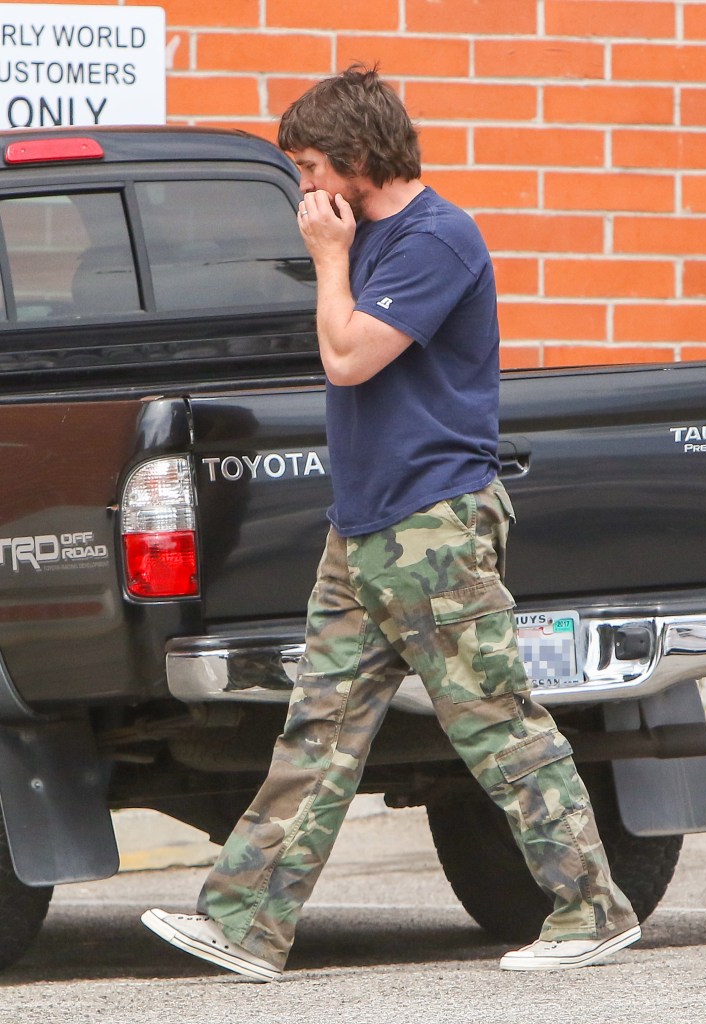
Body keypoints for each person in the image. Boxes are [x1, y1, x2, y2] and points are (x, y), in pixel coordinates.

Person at [141, 65, 640, 978]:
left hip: (432, 527)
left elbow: (348, 359)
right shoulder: (368, 236)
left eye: (310, 166)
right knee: (318, 731)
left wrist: (329, 260)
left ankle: (592, 909)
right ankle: (246, 925)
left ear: (359, 156)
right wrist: (337, 253)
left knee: (494, 721)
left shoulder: (436, 239)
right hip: (363, 530)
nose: (304, 188)